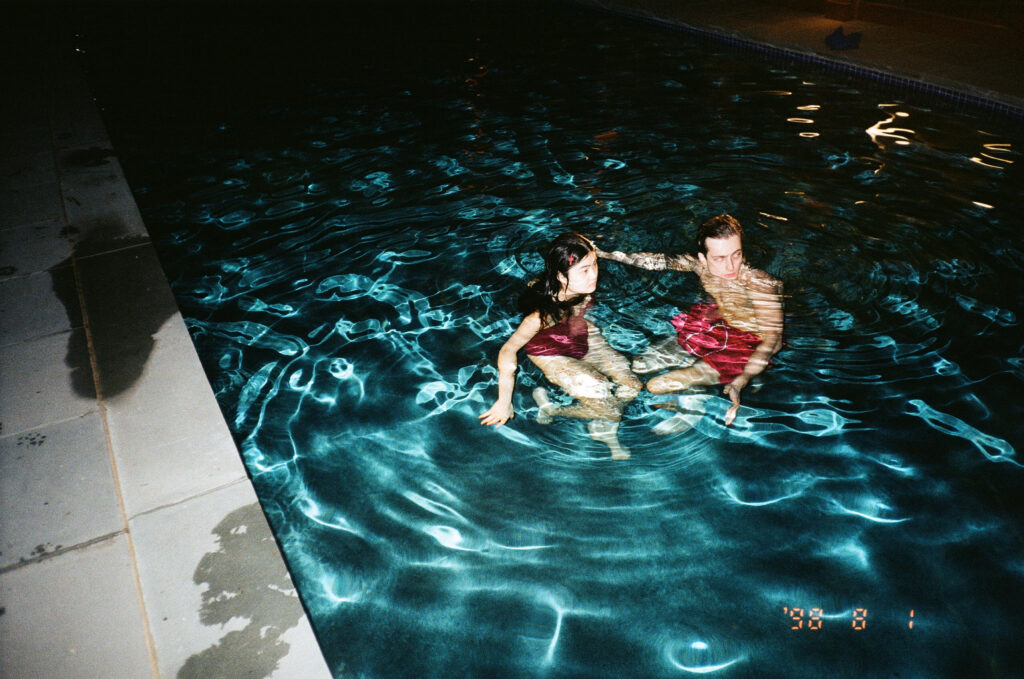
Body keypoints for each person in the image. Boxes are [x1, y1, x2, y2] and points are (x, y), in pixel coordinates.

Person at [597, 214, 783, 426]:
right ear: (703, 259)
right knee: (639, 365)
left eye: (736, 255)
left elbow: (772, 341)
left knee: (656, 386)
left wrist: (740, 382)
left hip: (747, 345)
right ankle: (693, 383)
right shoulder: (701, 268)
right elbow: (660, 262)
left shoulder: (759, 285)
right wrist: (608, 255)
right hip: (717, 325)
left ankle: (696, 397)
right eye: (720, 258)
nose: (731, 267)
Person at [479, 233, 642, 459]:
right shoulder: (541, 317)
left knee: (632, 386)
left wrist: (596, 251)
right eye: (584, 269)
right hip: (550, 352)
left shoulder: (580, 284)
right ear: (560, 276)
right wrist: (503, 401)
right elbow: (507, 351)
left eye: (594, 264)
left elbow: (579, 243)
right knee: (611, 410)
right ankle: (564, 410)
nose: (594, 273)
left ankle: (581, 413)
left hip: (581, 334)